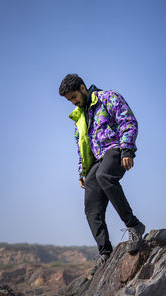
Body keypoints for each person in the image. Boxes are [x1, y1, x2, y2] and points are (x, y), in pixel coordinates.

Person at [59, 74, 145, 274]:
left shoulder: (108, 97)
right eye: (69, 100)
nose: (73, 102)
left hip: (115, 149)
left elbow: (128, 121)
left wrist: (127, 150)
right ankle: (105, 252)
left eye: (74, 97)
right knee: (91, 207)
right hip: (96, 160)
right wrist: (82, 171)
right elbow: (81, 146)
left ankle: (134, 226)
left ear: (82, 87)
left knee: (104, 176)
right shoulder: (79, 116)